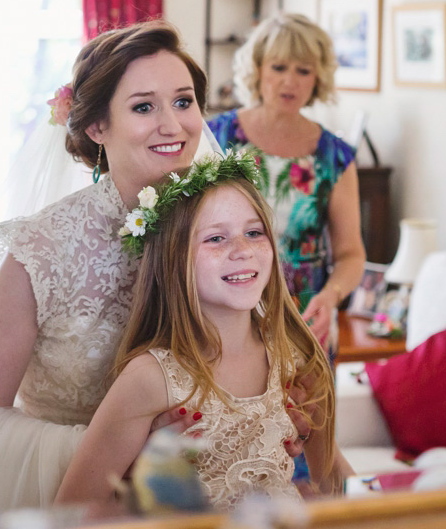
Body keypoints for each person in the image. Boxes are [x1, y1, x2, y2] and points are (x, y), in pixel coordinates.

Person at [0, 20, 222, 513]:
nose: (173, 124)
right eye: (144, 106)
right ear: (97, 126)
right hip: (77, 500)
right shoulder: (41, 249)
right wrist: (118, 447)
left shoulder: (226, 227)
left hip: (206, 494)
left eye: (184, 101)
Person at [55, 152, 346, 510]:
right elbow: (73, 509)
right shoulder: (149, 378)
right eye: (215, 239)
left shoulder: (295, 354)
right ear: (175, 259)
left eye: (254, 232)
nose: (242, 250)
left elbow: (332, 474)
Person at [208, 13, 367, 356]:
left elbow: (351, 254)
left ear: (317, 78)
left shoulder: (335, 157)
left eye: (303, 70)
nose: (290, 81)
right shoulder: (216, 136)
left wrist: (332, 295)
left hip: (305, 318)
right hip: (223, 309)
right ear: (258, 69)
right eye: (279, 67)